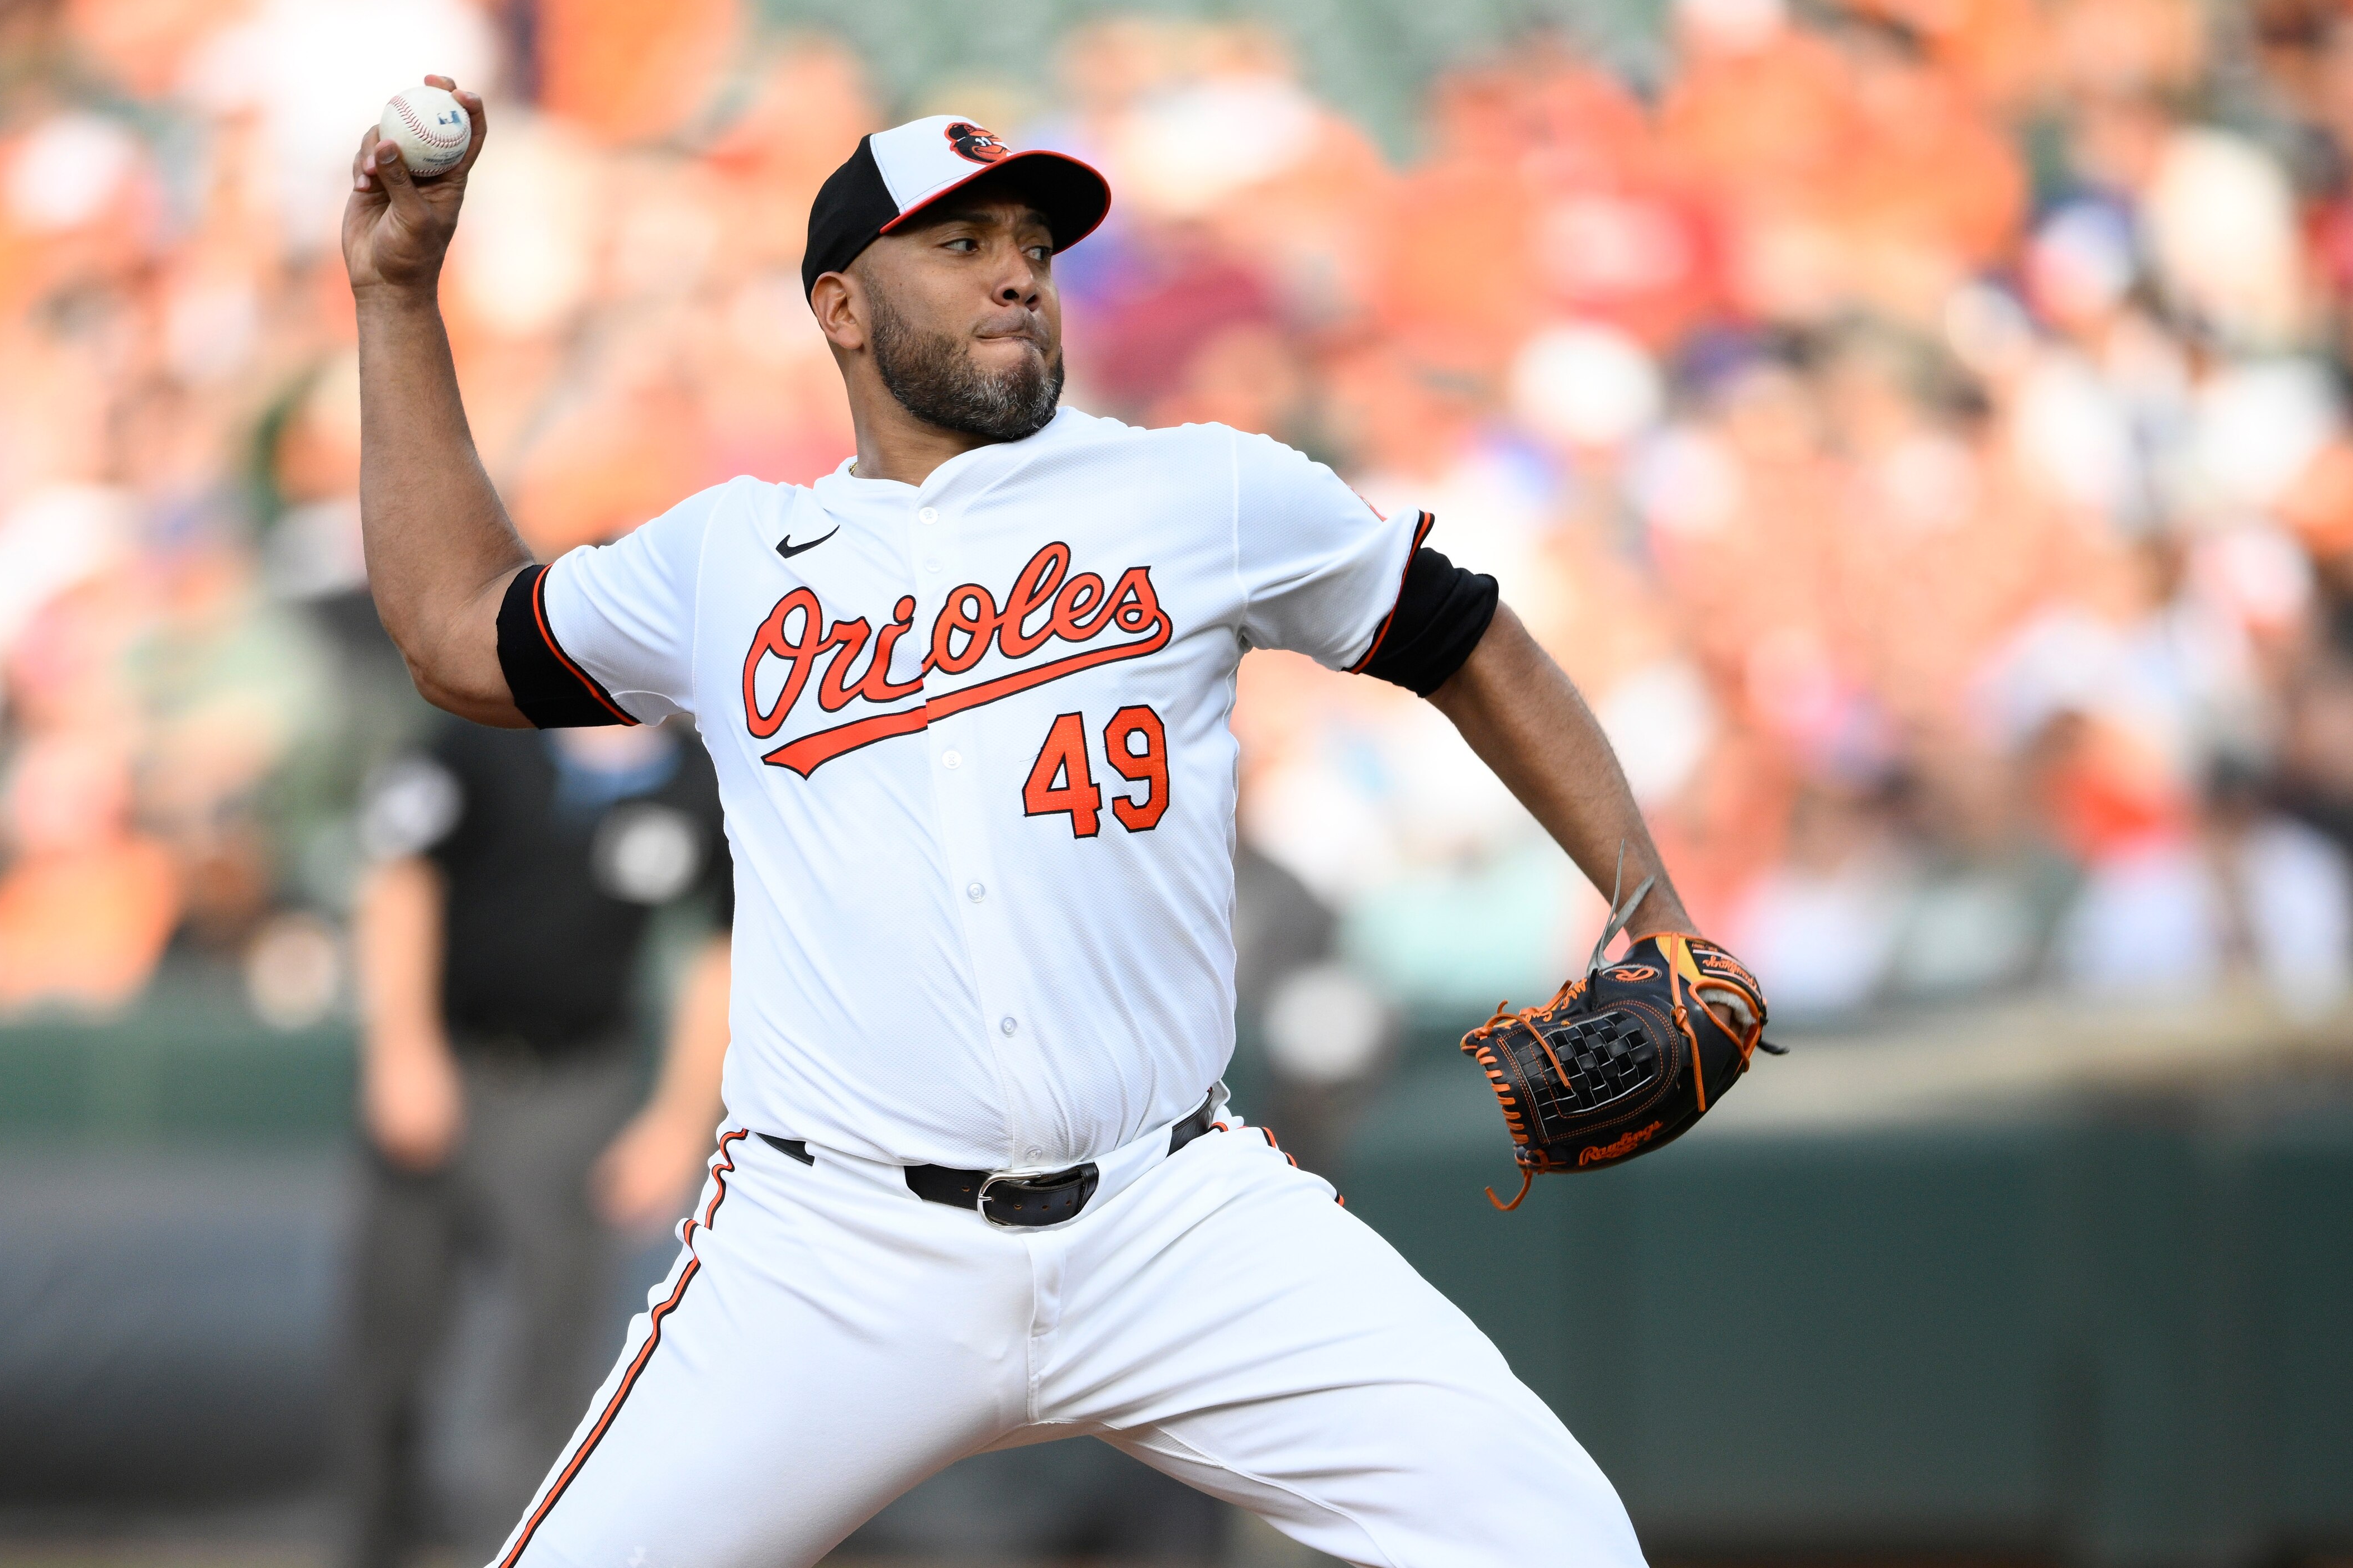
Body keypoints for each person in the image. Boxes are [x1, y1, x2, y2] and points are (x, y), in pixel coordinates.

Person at [345, 84, 1754, 1566]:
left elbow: (1469, 638)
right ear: (839, 304)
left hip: (1174, 1213)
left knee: (1563, 1540)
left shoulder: (1200, 489)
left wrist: (1650, 902)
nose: (1016, 266)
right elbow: (454, 633)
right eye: (957, 241)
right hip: (835, 1250)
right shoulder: (731, 561)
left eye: (1033, 240)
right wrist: (396, 293)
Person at [339, 713, 730, 1568]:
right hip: (450, 1062)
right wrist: (404, 1050)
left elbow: (723, 949)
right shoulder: (479, 739)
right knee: (390, 1349)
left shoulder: (701, 777)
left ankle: (511, 1553)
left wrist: (676, 1121)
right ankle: (375, 1543)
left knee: (549, 1361)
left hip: (576, 1087)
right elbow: (402, 878)